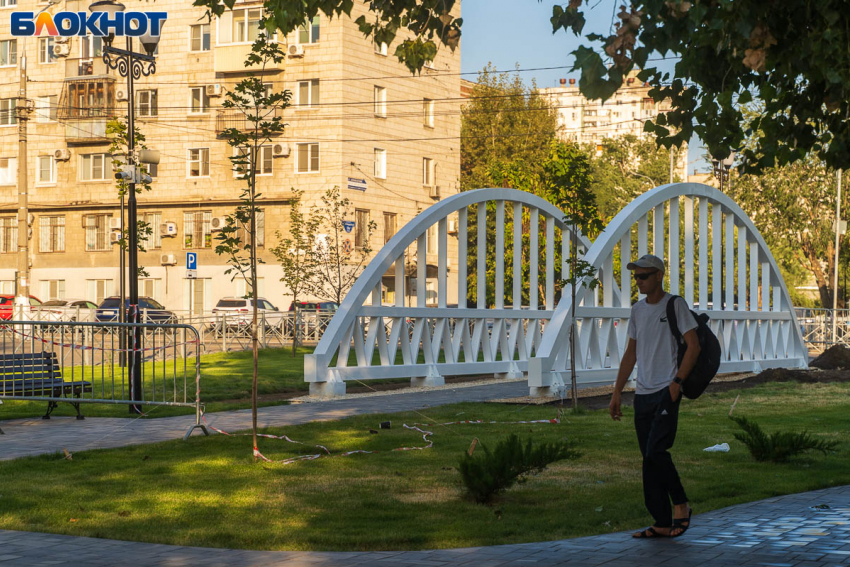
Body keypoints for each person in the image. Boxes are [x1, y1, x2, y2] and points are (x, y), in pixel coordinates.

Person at [609, 254, 701, 538]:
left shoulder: (675, 305)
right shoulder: (637, 310)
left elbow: (694, 346)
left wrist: (677, 382)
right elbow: (631, 354)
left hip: (666, 390)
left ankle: (681, 504)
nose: (638, 281)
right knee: (648, 459)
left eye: (644, 276)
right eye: (636, 277)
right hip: (643, 393)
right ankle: (661, 521)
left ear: (659, 276)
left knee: (656, 452)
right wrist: (617, 391)